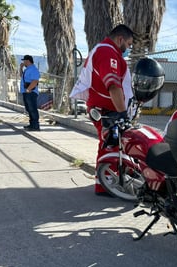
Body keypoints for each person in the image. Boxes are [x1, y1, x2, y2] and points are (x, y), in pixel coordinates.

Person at [71, 24, 134, 195]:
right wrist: (122, 114)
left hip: (105, 108)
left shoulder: (104, 51)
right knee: (110, 145)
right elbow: (113, 85)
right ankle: (106, 185)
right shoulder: (108, 52)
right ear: (120, 39)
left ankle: (108, 181)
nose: (128, 49)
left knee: (111, 144)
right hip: (107, 110)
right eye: (128, 45)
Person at [20, 55, 40, 131]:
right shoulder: (27, 69)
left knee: (32, 109)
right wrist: (20, 68)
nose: (23, 62)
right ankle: (32, 124)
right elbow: (21, 76)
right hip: (26, 91)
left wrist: (28, 89)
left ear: (28, 61)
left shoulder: (33, 69)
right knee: (29, 109)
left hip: (31, 92)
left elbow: (35, 81)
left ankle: (35, 125)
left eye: (24, 61)